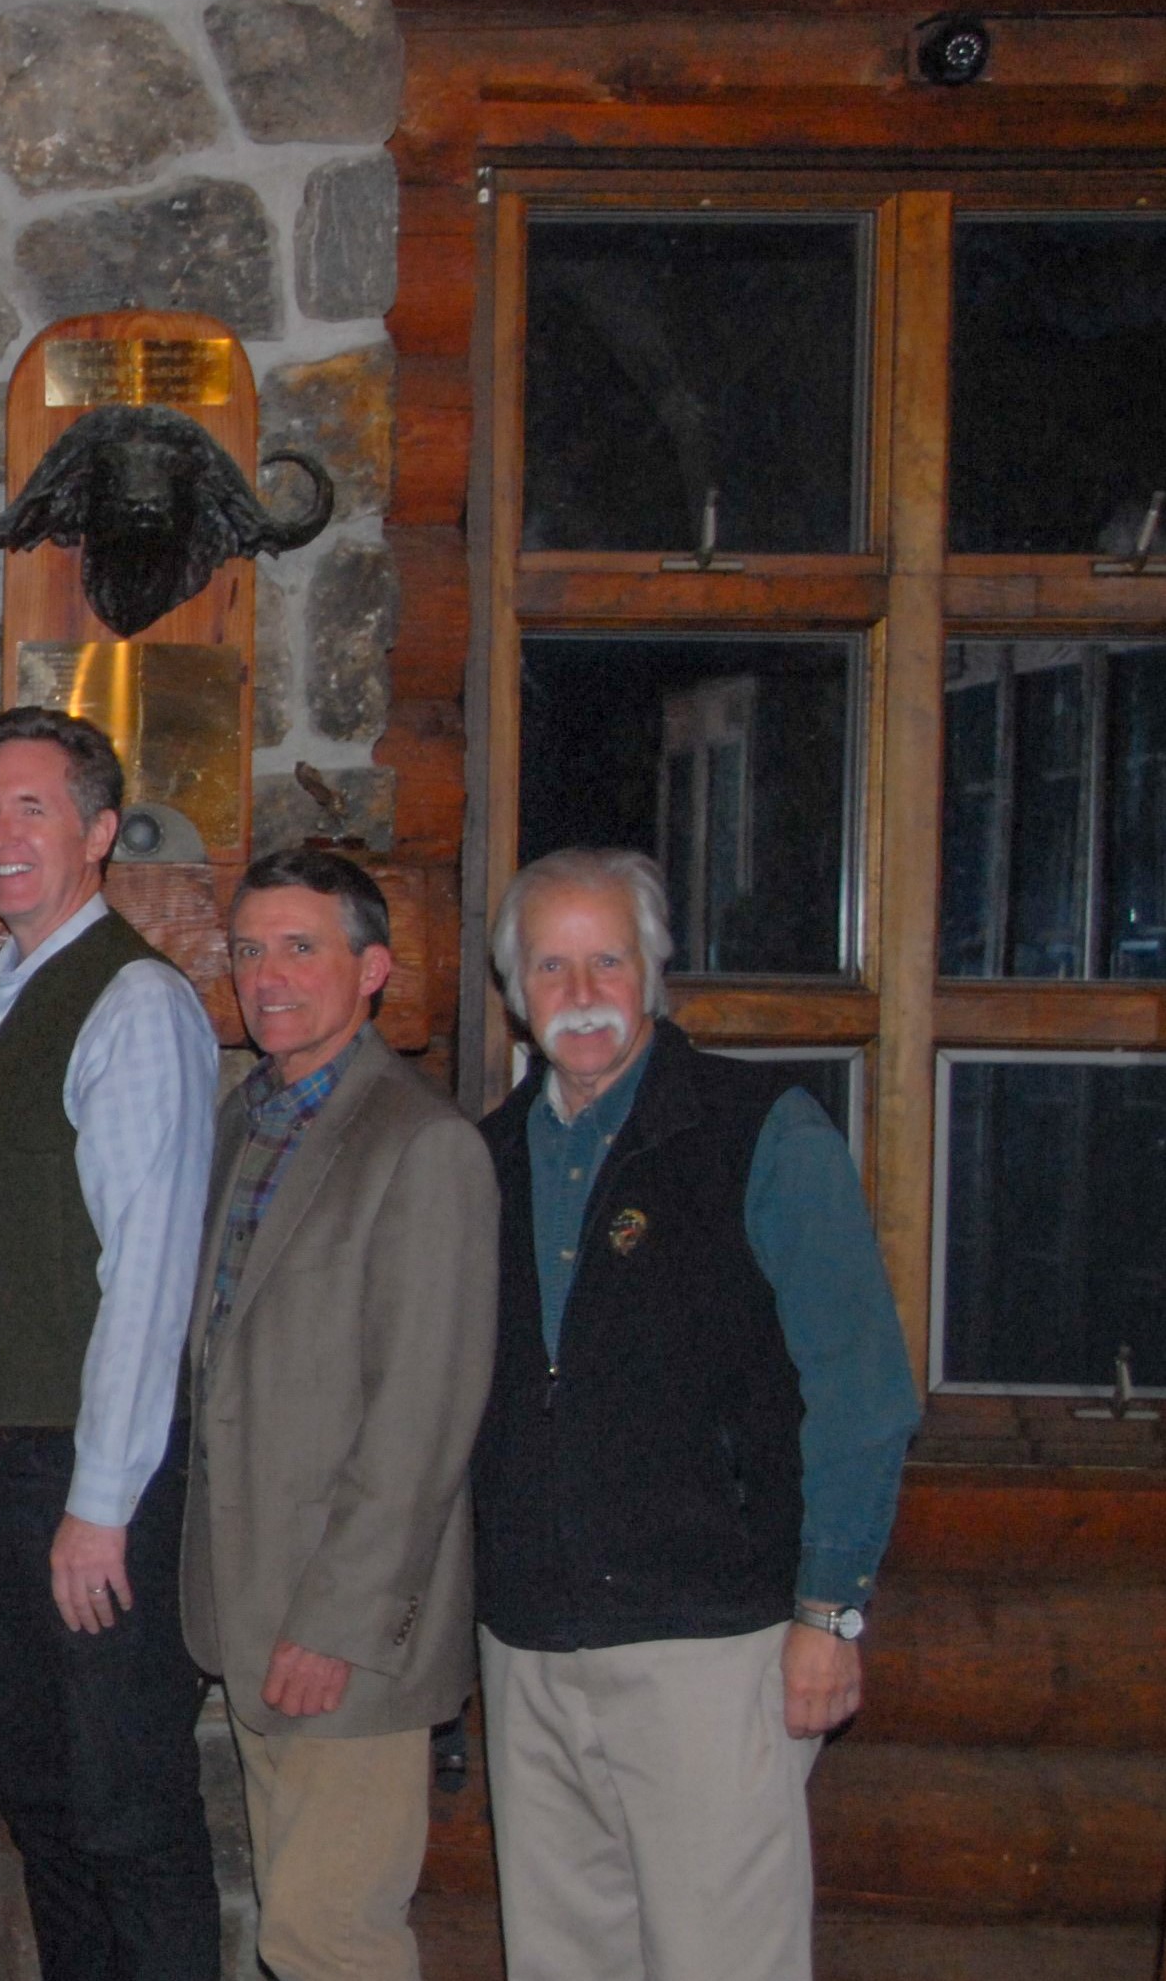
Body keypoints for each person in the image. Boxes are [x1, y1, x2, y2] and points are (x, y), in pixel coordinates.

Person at [472, 847, 920, 1981]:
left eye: (607, 961)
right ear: (515, 991)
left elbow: (863, 1392)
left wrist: (831, 1611)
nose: (579, 993)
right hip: (530, 1645)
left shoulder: (759, 1132)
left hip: (712, 1647)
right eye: (551, 966)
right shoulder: (477, 1162)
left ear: (654, 976)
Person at [0, 706, 222, 1981]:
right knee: (45, 1808)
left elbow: (149, 1275)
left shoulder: (136, 1002)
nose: (1, 835)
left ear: (102, 832)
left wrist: (100, 1507)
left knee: (126, 1813)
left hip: (92, 1476)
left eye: (33, 808)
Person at [179, 848, 497, 1981]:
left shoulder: (423, 1145)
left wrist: (338, 1622)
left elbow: (424, 1419)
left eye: (299, 947)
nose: (267, 976)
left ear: (373, 970)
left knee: (330, 1938)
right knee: (299, 1928)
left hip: (342, 1632)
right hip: (252, 1602)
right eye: (249, 949)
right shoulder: (246, 1124)